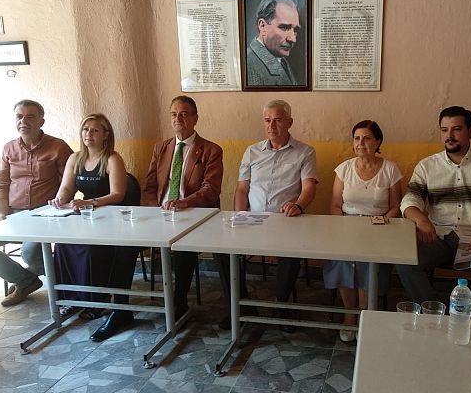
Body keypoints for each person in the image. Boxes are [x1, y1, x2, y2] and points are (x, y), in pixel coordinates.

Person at [396, 106, 471, 308]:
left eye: (457, 129)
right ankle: (431, 311)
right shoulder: (427, 166)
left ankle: (465, 316)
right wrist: (421, 220)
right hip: (438, 237)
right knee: (404, 260)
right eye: (444, 130)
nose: (449, 135)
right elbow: (409, 200)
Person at [49, 113, 139, 342]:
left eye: (95, 130)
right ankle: (74, 298)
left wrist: (90, 202)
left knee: (90, 248)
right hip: (85, 216)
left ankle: (97, 301)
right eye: (85, 129)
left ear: (106, 135)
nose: (89, 134)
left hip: (109, 216)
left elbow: (118, 194)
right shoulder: (75, 158)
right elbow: (66, 189)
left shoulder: (112, 159)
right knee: (63, 245)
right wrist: (59, 200)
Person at [233, 99, 317, 331]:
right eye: (267, 120)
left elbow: (309, 186)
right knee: (221, 252)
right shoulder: (251, 152)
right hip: (252, 219)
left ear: (290, 122)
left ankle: (281, 304)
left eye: (278, 120)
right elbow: (242, 189)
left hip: (285, 221)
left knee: (291, 253)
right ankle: (241, 305)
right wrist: (239, 215)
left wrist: (299, 206)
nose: (271, 126)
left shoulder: (305, 152)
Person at [0, 99, 72, 306]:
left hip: (45, 215)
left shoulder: (58, 147)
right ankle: (25, 280)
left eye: (30, 117)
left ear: (41, 121)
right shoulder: (8, 148)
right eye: (19, 116)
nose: (23, 121)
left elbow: (69, 183)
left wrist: (57, 208)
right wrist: (1, 212)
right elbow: (2, 184)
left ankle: (66, 285)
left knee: (29, 253)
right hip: (14, 215)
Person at [142, 95, 224, 320]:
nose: (178, 119)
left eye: (184, 114)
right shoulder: (161, 148)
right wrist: (154, 210)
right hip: (161, 214)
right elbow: (149, 186)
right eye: (174, 114)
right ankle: (119, 305)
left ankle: (179, 302)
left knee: (184, 247)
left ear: (195, 119)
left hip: (193, 214)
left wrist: (183, 203)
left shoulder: (210, 150)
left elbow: (211, 190)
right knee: (124, 244)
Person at [325, 120, 402, 342]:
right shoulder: (344, 169)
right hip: (347, 226)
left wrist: (381, 223)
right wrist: (343, 228)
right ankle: (350, 315)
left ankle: (365, 315)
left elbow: (396, 206)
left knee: (369, 261)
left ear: (378, 142)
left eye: (367, 138)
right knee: (342, 258)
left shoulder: (390, 169)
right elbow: (335, 205)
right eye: (357, 138)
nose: (361, 143)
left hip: (379, 227)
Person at [246, 0, 302, 86]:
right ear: (262, 26)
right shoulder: (249, 66)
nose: (293, 39)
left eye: (295, 30)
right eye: (284, 27)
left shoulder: (281, 60)